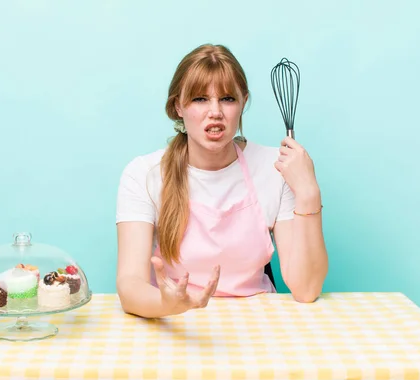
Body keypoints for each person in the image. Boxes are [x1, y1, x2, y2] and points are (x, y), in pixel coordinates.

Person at [115, 44, 328, 318]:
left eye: (227, 98)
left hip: (259, 326)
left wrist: (309, 191)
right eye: (200, 99)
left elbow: (306, 289)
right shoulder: (144, 174)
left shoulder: (276, 168)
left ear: (243, 103)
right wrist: (167, 305)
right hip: (174, 324)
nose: (215, 111)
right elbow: (130, 285)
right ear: (178, 106)